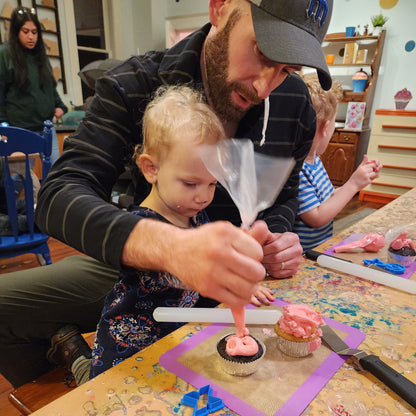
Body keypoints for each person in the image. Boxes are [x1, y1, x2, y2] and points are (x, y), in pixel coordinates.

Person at [0, 0, 333, 388]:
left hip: (244, 287)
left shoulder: (295, 106)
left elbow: (285, 198)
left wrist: (274, 237)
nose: (264, 86)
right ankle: (74, 389)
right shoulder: (134, 84)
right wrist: (172, 248)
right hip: (147, 268)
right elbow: (58, 194)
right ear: (220, 8)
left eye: (287, 69)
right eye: (261, 51)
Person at [88, 85, 274, 381]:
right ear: (151, 169)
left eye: (212, 184)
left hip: (173, 343)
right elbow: (185, 273)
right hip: (126, 353)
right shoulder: (141, 224)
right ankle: (76, 360)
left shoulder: (194, 214)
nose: (203, 196)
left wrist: (242, 281)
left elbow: (211, 266)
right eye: (191, 183)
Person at [293, 73, 382, 251]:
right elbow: (316, 217)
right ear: (326, 128)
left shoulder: (315, 161)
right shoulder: (298, 169)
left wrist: (358, 180)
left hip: (319, 246)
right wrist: (352, 185)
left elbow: (327, 198)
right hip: (303, 255)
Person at [0, 6, 67, 165]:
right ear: (16, 32)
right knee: (19, 178)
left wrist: (60, 106)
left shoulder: (40, 54)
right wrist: (3, 126)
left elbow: (50, 86)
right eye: (25, 31)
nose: (31, 37)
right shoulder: (4, 53)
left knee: (54, 174)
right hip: (20, 129)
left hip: (46, 127)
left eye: (35, 32)